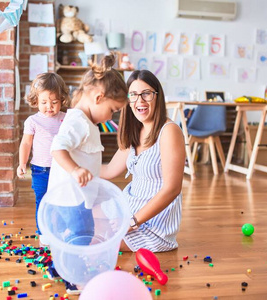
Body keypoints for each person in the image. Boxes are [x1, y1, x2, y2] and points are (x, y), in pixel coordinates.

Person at [38, 54, 129, 294]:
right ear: (99, 98)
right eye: (113, 110)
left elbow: (95, 166)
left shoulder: (86, 122)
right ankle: (74, 277)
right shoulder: (78, 121)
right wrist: (75, 169)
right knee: (81, 235)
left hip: (79, 196)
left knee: (78, 233)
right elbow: (57, 148)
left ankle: (56, 267)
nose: (111, 117)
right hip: (71, 197)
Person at [101, 69, 185, 253]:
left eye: (146, 94)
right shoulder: (134, 130)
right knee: (82, 224)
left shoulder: (169, 131)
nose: (140, 101)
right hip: (127, 209)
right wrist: (73, 165)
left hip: (152, 224)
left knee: (99, 243)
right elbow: (108, 171)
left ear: (157, 96)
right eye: (133, 95)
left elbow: (172, 189)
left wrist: (131, 222)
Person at [17, 72, 70, 234]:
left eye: (54, 102)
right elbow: (26, 143)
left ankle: (60, 231)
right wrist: (22, 163)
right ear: (36, 101)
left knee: (61, 201)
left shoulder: (66, 118)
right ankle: (44, 232)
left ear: (62, 100)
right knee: (42, 200)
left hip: (62, 169)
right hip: (40, 169)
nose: (49, 106)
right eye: (44, 102)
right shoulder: (33, 121)